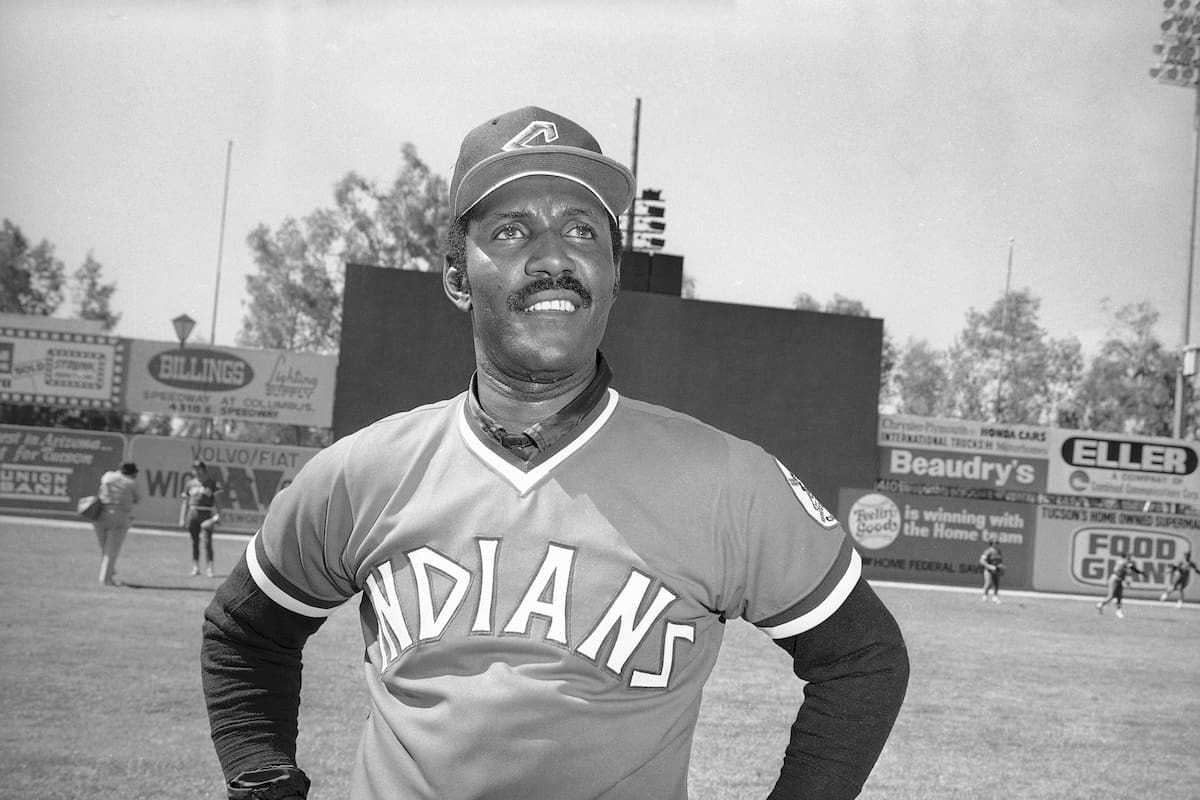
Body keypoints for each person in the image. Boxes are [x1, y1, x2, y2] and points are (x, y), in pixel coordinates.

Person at [202, 105, 910, 800]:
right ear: (456, 275)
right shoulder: (363, 472)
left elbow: (863, 659)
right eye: (511, 231)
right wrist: (261, 777)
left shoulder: (724, 479)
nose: (553, 256)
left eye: (581, 230)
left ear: (611, 273)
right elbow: (244, 629)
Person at [92, 461, 141, 586]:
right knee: (111, 550)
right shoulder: (131, 483)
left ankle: (108, 572)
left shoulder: (107, 476)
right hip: (120, 516)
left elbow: (104, 483)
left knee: (104, 547)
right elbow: (138, 498)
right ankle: (106, 579)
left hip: (100, 514)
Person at [183, 461, 220, 577]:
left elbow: (218, 501)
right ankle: (196, 567)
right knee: (194, 542)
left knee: (207, 542)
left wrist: (217, 515)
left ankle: (210, 568)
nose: (196, 471)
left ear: (204, 469)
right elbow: (185, 502)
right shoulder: (190, 484)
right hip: (193, 513)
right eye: (195, 469)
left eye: (199, 468)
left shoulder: (212, 483)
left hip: (206, 514)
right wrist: (182, 518)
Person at [1096, 550, 1144, 619]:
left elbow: (1122, 571)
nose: (1130, 557)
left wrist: (1125, 580)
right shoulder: (1125, 562)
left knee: (1119, 597)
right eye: (1129, 556)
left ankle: (1118, 611)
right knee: (1111, 596)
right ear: (1126, 556)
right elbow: (1133, 568)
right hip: (1115, 579)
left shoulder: (1122, 561)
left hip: (1118, 579)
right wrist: (1141, 573)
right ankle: (1100, 604)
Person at [980, 537, 1004, 603]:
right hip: (989, 570)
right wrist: (989, 566)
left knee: (996, 584)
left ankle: (995, 597)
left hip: (997, 569)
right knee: (988, 583)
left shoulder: (999, 551)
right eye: (995, 543)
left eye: (997, 543)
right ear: (991, 543)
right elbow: (982, 560)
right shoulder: (988, 551)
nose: (996, 544)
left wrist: (1001, 566)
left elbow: (1000, 561)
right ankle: (985, 596)